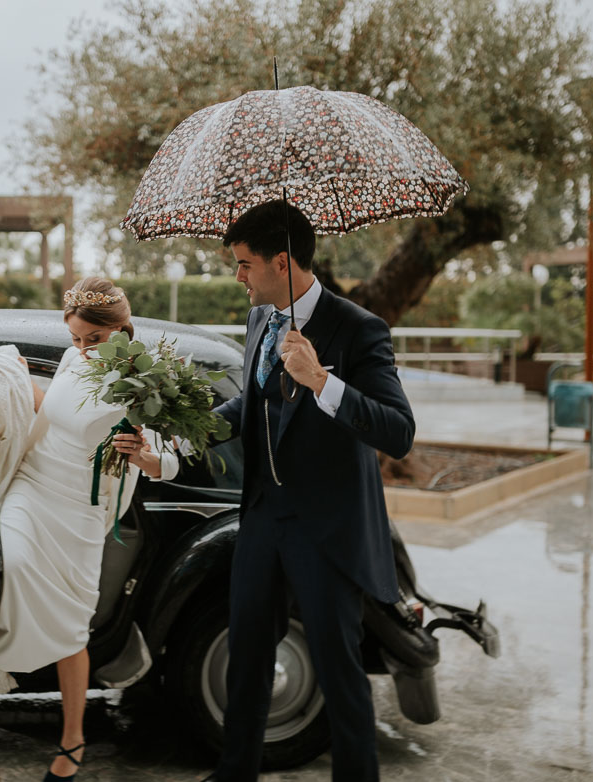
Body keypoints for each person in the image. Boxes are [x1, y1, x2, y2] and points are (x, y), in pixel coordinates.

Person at [201, 201, 415, 782]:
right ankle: (234, 774)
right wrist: (184, 437)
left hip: (327, 531)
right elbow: (253, 405)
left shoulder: (359, 329)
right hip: (263, 521)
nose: (238, 276)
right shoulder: (258, 320)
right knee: (246, 660)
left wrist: (322, 381)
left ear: (282, 261)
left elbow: (399, 432)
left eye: (245, 265)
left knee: (337, 669)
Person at [0, 277, 179, 782]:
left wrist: (146, 455)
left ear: (121, 328)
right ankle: (1, 659)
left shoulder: (144, 379)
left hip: (81, 511)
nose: (82, 349)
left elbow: (173, 459)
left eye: (93, 339)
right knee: (13, 563)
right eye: (74, 338)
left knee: (73, 628)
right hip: (35, 482)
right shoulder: (73, 360)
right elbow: (55, 409)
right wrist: (21, 384)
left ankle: (73, 741)